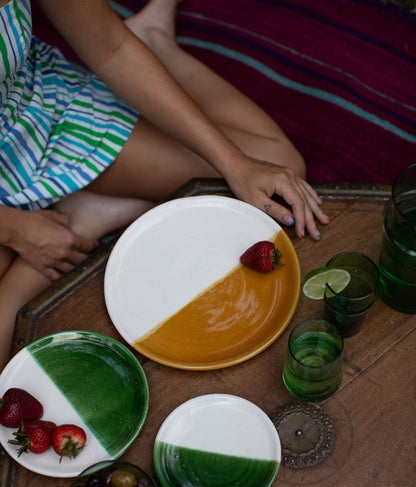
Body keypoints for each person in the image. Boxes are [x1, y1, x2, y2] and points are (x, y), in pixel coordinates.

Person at [0, 0, 330, 372]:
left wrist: (235, 163)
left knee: (279, 168)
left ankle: (151, 39)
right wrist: (17, 229)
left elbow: (111, 46)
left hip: (34, 115)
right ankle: (83, 217)